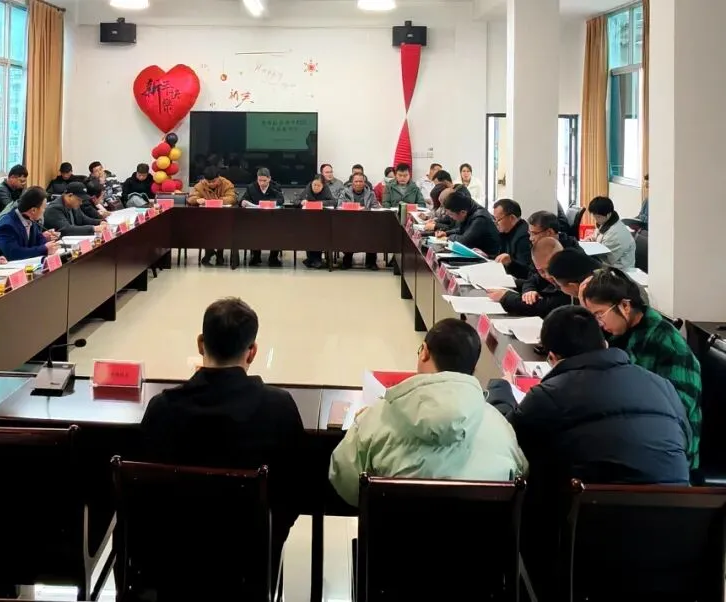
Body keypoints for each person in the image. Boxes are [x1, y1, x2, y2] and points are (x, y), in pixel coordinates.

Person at [141, 297, 305, 559]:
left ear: (200, 344)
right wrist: (270, 540)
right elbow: (295, 491)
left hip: (172, 560)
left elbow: (144, 493)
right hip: (249, 561)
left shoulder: (162, 409)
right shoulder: (279, 408)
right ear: (252, 352)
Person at [329, 318, 527, 506]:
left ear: (424, 352)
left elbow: (345, 482)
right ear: (473, 367)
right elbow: (520, 478)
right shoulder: (501, 429)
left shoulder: (376, 418)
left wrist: (361, 422)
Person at [487, 305, 691, 485]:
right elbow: (686, 442)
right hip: (677, 509)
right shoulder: (662, 385)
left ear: (552, 357)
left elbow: (504, 438)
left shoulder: (549, 395)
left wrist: (501, 388)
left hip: (591, 511)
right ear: (605, 345)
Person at [581, 268, 702, 468]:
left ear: (625, 306)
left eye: (600, 314)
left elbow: (678, 414)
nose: (599, 324)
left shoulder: (668, 345)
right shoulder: (619, 334)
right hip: (633, 433)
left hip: (669, 454)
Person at [488, 237, 571, 317]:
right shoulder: (542, 267)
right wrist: (529, 290)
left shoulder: (569, 279)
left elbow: (544, 307)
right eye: (541, 271)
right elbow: (531, 280)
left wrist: (506, 297)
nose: (548, 275)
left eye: (549, 269)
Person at [0, 186, 61, 260]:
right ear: (33, 210)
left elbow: (39, 239)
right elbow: (14, 254)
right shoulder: (7, 226)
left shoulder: (29, 217)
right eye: (44, 208)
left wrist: (50, 244)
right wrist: (44, 249)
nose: (44, 211)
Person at [189, 166, 238, 267]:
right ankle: (209, 251)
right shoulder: (200, 185)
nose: (211, 184)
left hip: (224, 217)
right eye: (208, 182)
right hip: (206, 217)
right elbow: (191, 198)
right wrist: (197, 200)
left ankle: (220, 254)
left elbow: (232, 198)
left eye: (213, 181)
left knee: (221, 229)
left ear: (218, 177)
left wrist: (218, 201)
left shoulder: (227, 183)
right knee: (204, 228)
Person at [437, 186, 501, 256]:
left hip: (489, 257)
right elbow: (463, 229)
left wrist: (449, 237)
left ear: (463, 212)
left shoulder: (480, 219)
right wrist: (446, 233)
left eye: (451, 214)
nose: (450, 217)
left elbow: (464, 242)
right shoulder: (468, 208)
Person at [240, 167, 284, 267]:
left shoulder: (275, 187)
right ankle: (256, 256)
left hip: (272, 218)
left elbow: (281, 200)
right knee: (253, 230)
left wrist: (269, 203)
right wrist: (243, 202)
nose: (262, 183)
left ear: (269, 178)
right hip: (256, 219)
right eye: (259, 180)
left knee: (277, 231)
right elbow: (243, 199)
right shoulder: (251, 187)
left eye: (264, 180)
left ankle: (273, 258)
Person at [339, 173, 380, 270]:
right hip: (349, 222)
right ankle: (347, 260)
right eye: (356, 181)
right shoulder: (345, 192)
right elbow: (339, 206)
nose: (358, 183)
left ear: (364, 183)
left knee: (373, 233)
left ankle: (371, 261)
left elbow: (375, 207)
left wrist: (365, 209)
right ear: (352, 183)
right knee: (348, 233)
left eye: (360, 181)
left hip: (367, 223)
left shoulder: (371, 193)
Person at [586, 196, 636, 269]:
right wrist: (591, 239)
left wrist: (588, 249)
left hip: (619, 270)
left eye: (598, 217)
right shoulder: (605, 222)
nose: (596, 219)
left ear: (608, 214)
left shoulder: (616, 234)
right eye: (594, 216)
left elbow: (608, 259)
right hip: (606, 264)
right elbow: (598, 236)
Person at [299, 175, 337, 269]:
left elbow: (333, 202)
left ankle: (316, 259)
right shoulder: (308, 188)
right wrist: (301, 202)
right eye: (314, 185)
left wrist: (319, 203)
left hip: (322, 221)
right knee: (308, 234)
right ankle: (311, 259)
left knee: (319, 234)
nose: (315, 187)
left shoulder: (326, 189)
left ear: (323, 186)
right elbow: (296, 200)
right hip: (308, 220)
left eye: (318, 185)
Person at [492, 199, 532, 279]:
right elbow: (502, 256)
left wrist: (510, 263)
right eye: (494, 219)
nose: (496, 223)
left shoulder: (524, 237)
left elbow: (526, 272)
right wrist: (487, 256)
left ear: (512, 218)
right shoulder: (506, 232)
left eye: (498, 220)